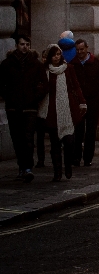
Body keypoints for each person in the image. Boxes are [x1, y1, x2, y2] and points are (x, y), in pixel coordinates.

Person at [0, 37, 46, 182]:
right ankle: (22, 166)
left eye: (27, 44)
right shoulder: (7, 64)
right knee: (17, 138)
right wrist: (8, 95)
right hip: (13, 107)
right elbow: (1, 83)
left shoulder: (36, 64)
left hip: (30, 107)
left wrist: (35, 97)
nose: (24, 47)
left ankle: (27, 168)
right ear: (16, 46)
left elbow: (44, 84)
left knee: (28, 138)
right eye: (22, 44)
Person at [38, 45, 85, 181]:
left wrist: (82, 102)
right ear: (49, 57)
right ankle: (57, 172)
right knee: (55, 144)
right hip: (51, 109)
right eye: (54, 55)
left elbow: (76, 86)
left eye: (58, 54)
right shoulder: (45, 70)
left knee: (69, 141)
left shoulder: (68, 69)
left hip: (67, 108)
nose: (57, 57)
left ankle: (68, 166)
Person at [71, 39, 99, 167]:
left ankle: (88, 158)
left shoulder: (95, 63)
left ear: (87, 48)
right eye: (77, 50)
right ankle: (76, 157)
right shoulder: (73, 64)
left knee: (91, 131)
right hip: (78, 102)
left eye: (82, 49)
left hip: (93, 101)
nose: (80, 52)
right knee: (78, 130)